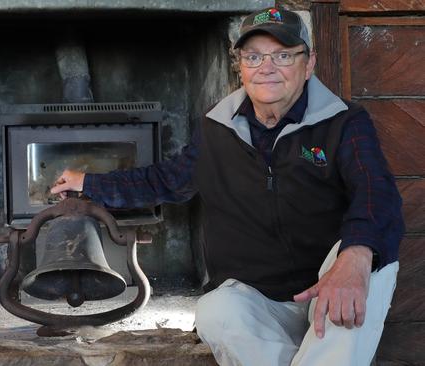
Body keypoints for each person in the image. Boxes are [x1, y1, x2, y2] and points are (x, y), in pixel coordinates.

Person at [50, 7, 403, 366]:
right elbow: (167, 179)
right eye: (254, 56)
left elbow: (377, 193)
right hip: (258, 304)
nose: (267, 67)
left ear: (308, 63)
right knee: (215, 310)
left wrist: (354, 258)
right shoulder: (217, 127)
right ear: (241, 66)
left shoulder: (344, 122)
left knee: (368, 256)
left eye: (282, 55)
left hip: (328, 291)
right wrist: (89, 182)